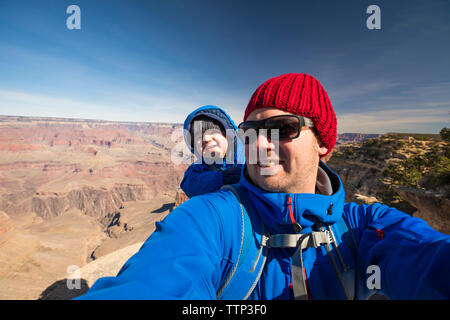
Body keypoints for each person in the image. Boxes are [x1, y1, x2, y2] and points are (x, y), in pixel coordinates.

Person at [75, 73, 450, 300]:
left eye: (284, 127)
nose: (263, 143)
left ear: (324, 143)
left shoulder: (366, 225)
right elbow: (156, 279)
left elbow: (429, 261)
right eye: (253, 131)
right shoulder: (213, 220)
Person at [180, 105, 245, 198]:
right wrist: (221, 178)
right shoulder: (200, 166)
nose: (206, 139)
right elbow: (189, 184)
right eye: (199, 137)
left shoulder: (248, 154)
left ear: (226, 135)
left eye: (212, 132)